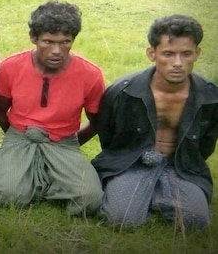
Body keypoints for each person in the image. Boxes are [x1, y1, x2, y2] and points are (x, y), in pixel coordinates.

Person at [93, 15, 218, 230]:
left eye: (186, 54)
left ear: (197, 53)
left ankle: (154, 192)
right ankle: (145, 193)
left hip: (181, 165)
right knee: (123, 220)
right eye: (168, 54)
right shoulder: (123, 91)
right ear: (152, 54)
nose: (177, 63)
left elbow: (206, 142)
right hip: (132, 162)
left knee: (196, 222)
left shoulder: (210, 96)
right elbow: (108, 134)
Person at [0, 0, 105, 216]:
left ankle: (41, 177)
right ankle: (28, 173)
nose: (57, 50)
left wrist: (71, 143)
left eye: (65, 42)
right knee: (9, 196)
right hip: (21, 137)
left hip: (63, 141)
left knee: (90, 200)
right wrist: (14, 136)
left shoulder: (90, 75)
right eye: (48, 41)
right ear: (33, 37)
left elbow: (97, 122)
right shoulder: (11, 67)